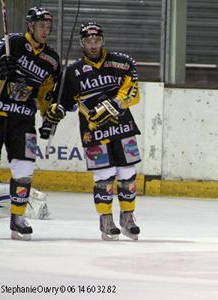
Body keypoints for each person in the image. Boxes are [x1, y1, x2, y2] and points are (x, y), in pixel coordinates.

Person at [43, 22, 141, 241]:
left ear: (102, 41)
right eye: (89, 41)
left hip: (122, 126)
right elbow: (63, 102)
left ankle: (128, 217)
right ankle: (106, 219)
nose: (93, 45)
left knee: (127, 173)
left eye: (97, 40)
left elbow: (133, 91)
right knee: (105, 175)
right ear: (82, 43)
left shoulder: (121, 63)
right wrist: (55, 110)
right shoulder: (73, 72)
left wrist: (115, 103)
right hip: (93, 131)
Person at [0, 7, 60, 240]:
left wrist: (49, 118)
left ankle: (18, 218)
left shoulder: (51, 59)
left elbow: (46, 94)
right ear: (31, 26)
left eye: (48, 27)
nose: (46, 30)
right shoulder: (12, 42)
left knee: (24, 171)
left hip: (23, 119)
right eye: (41, 26)